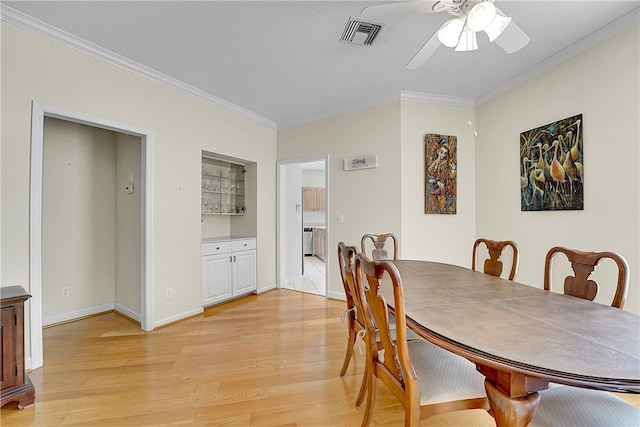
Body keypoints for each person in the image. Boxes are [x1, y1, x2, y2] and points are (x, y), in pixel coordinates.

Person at [427, 140, 456, 213]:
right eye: (441, 152)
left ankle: (444, 209)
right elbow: (430, 177)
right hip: (436, 187)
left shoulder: (447, 163)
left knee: (448, 200)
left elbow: (452, 176)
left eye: (445, 153)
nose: (443, 155)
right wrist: (438, 183)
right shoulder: (434, 165)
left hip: (446, 187)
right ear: (438, 152)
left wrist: (453, 169)